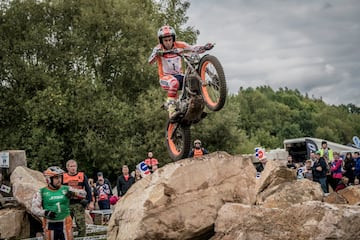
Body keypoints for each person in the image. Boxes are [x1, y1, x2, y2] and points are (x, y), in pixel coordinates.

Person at [148, 25, 213, 119]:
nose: (168, 42)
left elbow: (193, 49)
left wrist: (205, 47)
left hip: (179, 76)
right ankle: (171, 110)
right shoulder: (158, 48)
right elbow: (150, 61)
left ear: (173, 39)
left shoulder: (180, 45)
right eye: (165, 40)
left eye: (170, 39)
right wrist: (156, 54)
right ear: (161, 41)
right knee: (174, 83)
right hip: (165, 78)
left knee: (194, 80)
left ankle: (197, 107)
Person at [32, 166, 86, 240]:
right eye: (56, 178)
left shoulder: (66, 188)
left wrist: (75, 194)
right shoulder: (42, 192)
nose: (59, 180)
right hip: (50, 224)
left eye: (60, 177)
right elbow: (34, 208)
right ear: (49, 179)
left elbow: (84, 193)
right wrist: (45, 213)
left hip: (65, 223)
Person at [62, 159, 94, 237]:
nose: (73, 168)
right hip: (67, 204)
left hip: (79, 203)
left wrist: (91, 202)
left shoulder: (82, 175)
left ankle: (82, 238)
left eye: (75, 166)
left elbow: (88, 189)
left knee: (81, 225)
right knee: (66, 225)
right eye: (71, 166)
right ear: (67, 167)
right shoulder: (63, 177)